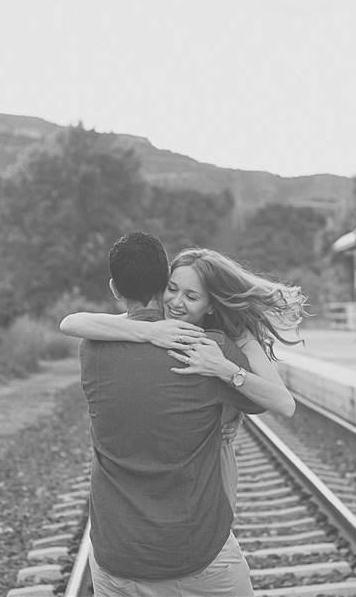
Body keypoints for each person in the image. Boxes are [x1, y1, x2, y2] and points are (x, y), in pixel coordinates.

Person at [79, 232, 262, 596]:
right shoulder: (208, 346)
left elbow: (79, 324)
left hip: (118, 558)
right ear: (166, 284)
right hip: (199, 555)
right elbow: (258, 400)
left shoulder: (92, 348)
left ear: (115, 288)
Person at [61, 246, 303, 507]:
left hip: (209, 460)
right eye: (172, 289)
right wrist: (150, 332)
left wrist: (223, 369)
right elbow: (72, 323)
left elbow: (285, 404)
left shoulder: (238, 337)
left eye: (191, 296)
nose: (176, 303)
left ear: (210, 304)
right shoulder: (159, 321)